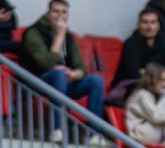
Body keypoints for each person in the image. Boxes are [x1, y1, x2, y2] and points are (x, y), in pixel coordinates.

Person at [20, 0, 107, 139]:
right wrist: (59, 36)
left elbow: (82, 66)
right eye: (56, 11)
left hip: (61, 82)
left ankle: (93, 135)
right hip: (34, 82)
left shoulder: (68, 36)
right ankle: (57, 129)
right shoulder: (33, 32)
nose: (60, 16)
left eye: (64, 12)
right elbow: (46, 64)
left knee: (96, 81)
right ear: (48, 13)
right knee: (58, 74)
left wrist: (74, 73)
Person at [111, 7, 165, 101]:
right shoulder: (131, 43)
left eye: (153, 22)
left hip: (157, 84)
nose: (149, 27)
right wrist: (158, 76)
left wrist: (148, 73)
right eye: (145, 22)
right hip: (128, 87)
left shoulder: (162, 44)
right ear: (138, 25)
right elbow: (133, 72)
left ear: (158, 25)